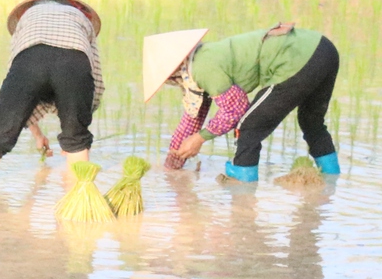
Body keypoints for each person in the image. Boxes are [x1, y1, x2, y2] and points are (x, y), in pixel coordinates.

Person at [145, 24, 342, 183]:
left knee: (248, 126)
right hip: (323, 49)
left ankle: (243, 194)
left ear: (173, 72)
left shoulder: (202, 68)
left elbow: (236, 108)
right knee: (311, 122)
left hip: (295, 60)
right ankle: (331, 182)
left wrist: (200, 139)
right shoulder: (199, 61)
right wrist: (173, 162)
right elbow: (194, 116)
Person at [0, 0, 104, 180]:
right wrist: (78, 122)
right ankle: (79, 200)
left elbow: (20, 93)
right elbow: (94, 79)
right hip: (74, 62)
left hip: (29, 61)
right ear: (77, 8)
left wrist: (36, 134)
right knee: (76, 141)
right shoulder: (81, 20)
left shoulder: (28, 17)